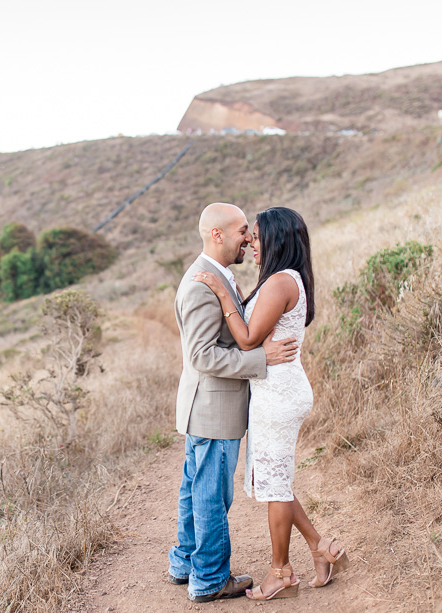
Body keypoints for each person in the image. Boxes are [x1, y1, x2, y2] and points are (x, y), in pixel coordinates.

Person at [193, 206, 349, 601]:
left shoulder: (280, 281)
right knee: (273, 480)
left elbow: (246, 339)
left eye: (257, 236)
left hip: (278, 394)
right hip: (275, 389)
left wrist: (220, 293)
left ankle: (281, 573)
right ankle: (321, 547)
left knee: (275, 486)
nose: (250, 241)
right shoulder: (283, 279)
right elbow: (257, 335)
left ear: (277, 239)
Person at [167, 202, 299, 602]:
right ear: (217, 235)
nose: (249, 237)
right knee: (210, 494)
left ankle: (184, 563)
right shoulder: (199, 285)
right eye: (243, 230)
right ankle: (209, 578)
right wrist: (262, 358)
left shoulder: (218, 277)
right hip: (214, 409)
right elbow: (203, 356)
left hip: (205, 406)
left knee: (194, 489)